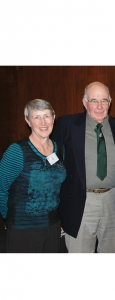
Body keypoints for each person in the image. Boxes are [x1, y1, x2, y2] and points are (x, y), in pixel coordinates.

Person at [52, 81, 115, 253]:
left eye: (104, 100)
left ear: (110, 102)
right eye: (93, 101)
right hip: (80, 202)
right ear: (84, 103)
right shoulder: (67, 126)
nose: (99, 106)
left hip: (112, 201)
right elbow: (53, 164)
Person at [0, 99, 66, 253]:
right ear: (27, 121)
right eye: (36, 117)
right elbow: (1, 188)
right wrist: (8, 217)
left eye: (46, 116)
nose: (43, 122)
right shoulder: (17, 151)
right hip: (24, 228)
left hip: (53, 225)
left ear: (54, 117)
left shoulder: (60, 149)